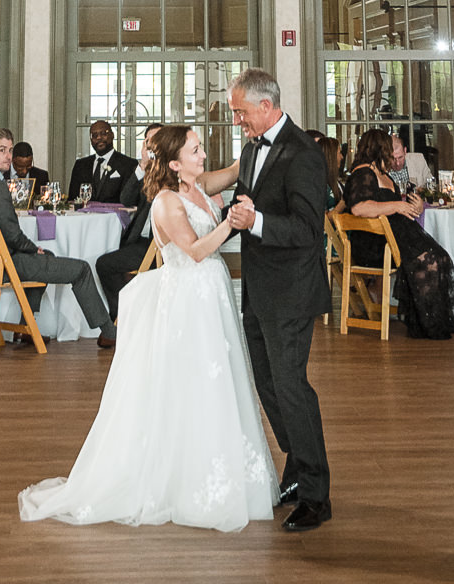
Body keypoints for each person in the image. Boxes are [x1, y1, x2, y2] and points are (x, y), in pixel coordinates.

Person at [20, 125, 276, 530]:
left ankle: (218, 469)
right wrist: (232, 222)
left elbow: (232, 169)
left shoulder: (199, 186)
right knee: (186, 384)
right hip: (188, 299)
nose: (202, 155)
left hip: (211, 297)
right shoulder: (166, 202)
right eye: (195, 150)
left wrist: (259, 145)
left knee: (217, 383)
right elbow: (193, 251)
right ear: (175, 164)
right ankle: (178, 480)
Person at [199, 67, 332, 533]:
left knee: (292, 387)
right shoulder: (252, 147)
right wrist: (231, 210)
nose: (237, 120)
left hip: (293, 290)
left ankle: (316, 495)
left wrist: (254, 222)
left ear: (265, 105)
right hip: (258, 289)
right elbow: (248, 196)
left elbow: (306, 229)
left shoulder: (304, 155)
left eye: (240, 112)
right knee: (268, 383)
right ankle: (297, 468)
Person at [0, 128, 117, 348]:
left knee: (49, 255)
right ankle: (109, 331)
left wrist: (34, 250)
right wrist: (34, 249)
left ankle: (26, 328)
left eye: (10, 150)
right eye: (2, 150)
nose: (8, 156)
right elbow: (12, 234)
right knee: (81, 269)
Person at [343, 128, 454, 340]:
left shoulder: (383, 174)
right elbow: (360, 208)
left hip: (398, 237)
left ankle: (432, 320)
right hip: (378, 242)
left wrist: (412, 206)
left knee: (441, 257)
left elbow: (394, 206)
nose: (393, 156)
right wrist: (397, 206)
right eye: (389, 150)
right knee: (430, 260)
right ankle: (426, 323)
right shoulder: (363, 173)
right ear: (381, 150)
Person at [96, 123, 161, 322]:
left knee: (105, 264)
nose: (152, 147)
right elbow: (125, 200)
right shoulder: (144, 170)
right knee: (103, 257)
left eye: (156, 142)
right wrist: (142, 167)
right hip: (137, 239)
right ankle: (126, 313)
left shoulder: (173, 170)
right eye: (148, 142)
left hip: (157, 245)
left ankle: (121, 317)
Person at [67, 120, 136, 204]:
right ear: (91, 140)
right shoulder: (80, 165)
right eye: (94, 135)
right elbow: (72, 199)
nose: (99, 138)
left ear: (112, 135)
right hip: (84, 216)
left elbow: (130, 200)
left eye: (103, 133)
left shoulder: (128, 164)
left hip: (115, 216)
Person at [315, 134, 342, 208]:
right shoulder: (318, 186)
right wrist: (342, 204)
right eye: (339, 153)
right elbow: (323, 217)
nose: (341, 157)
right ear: (331, 156)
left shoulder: (337, 183)